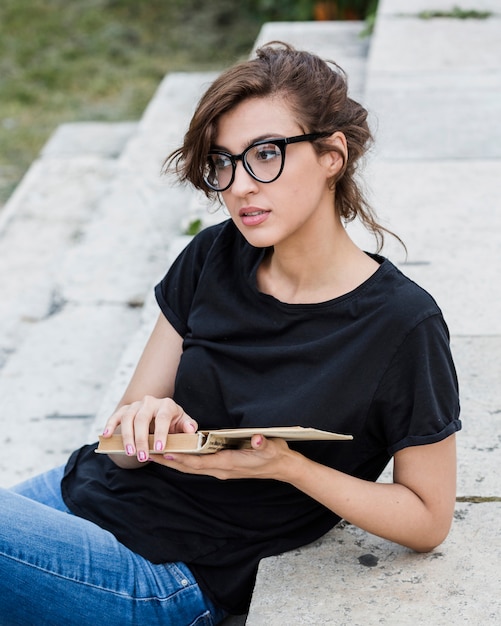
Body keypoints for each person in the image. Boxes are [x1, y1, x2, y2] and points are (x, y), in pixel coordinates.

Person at [0, 42, 460, 625]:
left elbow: (427, 517)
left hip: (170, 571)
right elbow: (120, 447)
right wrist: (147, 421)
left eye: (265, 154)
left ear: (331, 156)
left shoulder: (402, 324)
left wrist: (289, 466)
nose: (240, 184)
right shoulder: (212, 254)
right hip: (83, 493)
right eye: (223, 162)